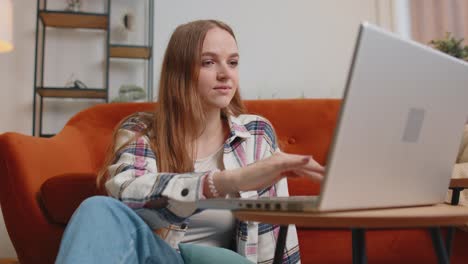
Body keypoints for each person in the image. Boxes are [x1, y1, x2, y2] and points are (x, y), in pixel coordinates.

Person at [55, 19, 325, 264]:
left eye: (232, 62)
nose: (225, 74)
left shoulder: (255, 134)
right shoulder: (140, 131)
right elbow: (125, 193)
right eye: (208, 62)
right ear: (180, 72)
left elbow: (277, 239)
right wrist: (225, 181)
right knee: (97, 208)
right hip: (157, 258)